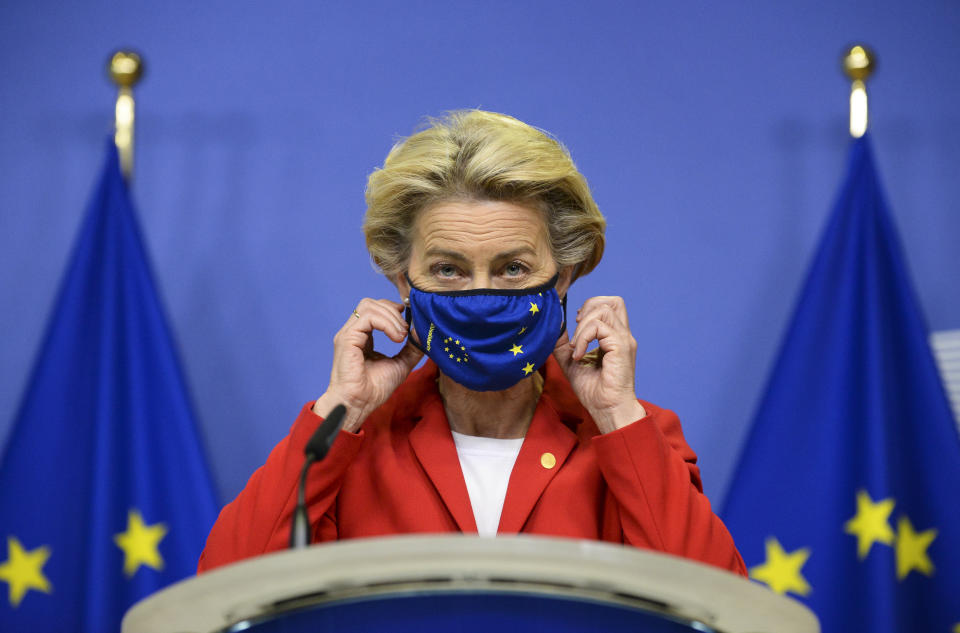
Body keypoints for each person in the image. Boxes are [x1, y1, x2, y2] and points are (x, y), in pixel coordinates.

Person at [198, 110, 747, 576]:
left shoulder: (631, 434)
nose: (481, 296)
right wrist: (343, 410)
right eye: (448, 270)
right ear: (400, 280)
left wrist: (614, 414)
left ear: (563, 276)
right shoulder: (351, 443)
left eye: (512, 268)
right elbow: (224, 594)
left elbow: (723, 610)